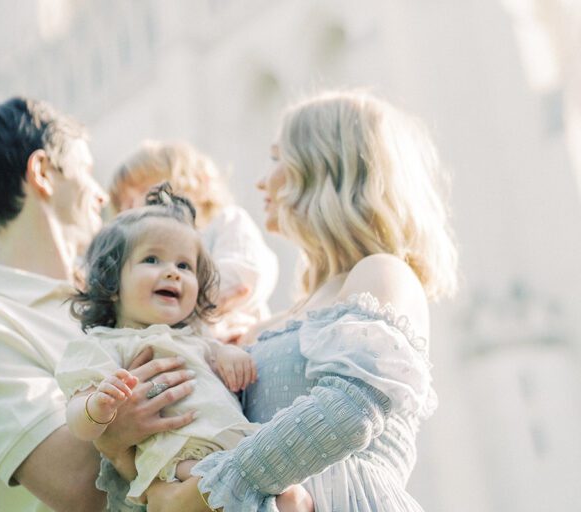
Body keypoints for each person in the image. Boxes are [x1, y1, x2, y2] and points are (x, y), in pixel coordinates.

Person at [133, 89, 459, 512]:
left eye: (276, 159)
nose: (261, 180)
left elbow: (351, 407)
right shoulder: (268, 323)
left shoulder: (383, 273)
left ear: (323, 165)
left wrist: (207, 490)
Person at [0, 97, 198, 512]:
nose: (99, 194)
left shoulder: (114, 290)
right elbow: (78, 487)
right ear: (41, 173)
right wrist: (116, 422)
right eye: (86, 172)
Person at [60, 183, 311, 511]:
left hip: (236, 448)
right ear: (111, 283)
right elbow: (77, 418)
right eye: (152, 259)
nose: (172, 273)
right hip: (178, 462)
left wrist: (230, 355)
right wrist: (96, 407)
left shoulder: (197, 340)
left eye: (184, 266)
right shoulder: (104, 346)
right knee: (231, 491)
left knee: (294, 497)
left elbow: (218, 354)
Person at [109, 141, 279, 341]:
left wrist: (176, 304)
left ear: (190, 183)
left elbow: (242, 277)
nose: (131, 211)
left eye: (142, 194)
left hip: (237, 351)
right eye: (124, 206)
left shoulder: (225, 222)